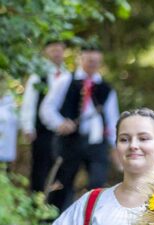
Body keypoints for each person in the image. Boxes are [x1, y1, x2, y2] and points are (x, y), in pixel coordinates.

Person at [39, 44, 119, 210]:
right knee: (62, 183)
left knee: (98, 183)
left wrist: (114, 146)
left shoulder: (106, 88)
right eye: (89, 60)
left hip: (97, 142)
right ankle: (53, 219)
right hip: (69, 141)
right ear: (81, 59)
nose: (92, 64)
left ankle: (91, 218)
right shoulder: (66, 80)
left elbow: (112, 119)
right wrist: (60, 123)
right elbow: (47, 108)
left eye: (96, 61)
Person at [20, 39, 68, 193]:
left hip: (63, 132)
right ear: (46, 52)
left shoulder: (68, 75)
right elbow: (29, 102)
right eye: (53, 49)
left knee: (61, 168)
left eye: (60, 49)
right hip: (42, 131)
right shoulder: (38, 76)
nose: (57, 52)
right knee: (41, 167)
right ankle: (37, 202)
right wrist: (28, 126)